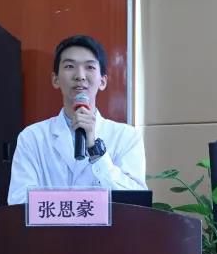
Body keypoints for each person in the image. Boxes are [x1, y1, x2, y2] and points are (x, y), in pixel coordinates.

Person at [8, 35, 146, 205]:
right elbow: (18, 202)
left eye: (89, 67)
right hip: (52, 224)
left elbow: (136, 202)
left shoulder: (127, 136)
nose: (80, 76)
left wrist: (96, 151)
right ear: (55, 79)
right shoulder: (32, 137)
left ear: (102, 81)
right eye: (69, 66)